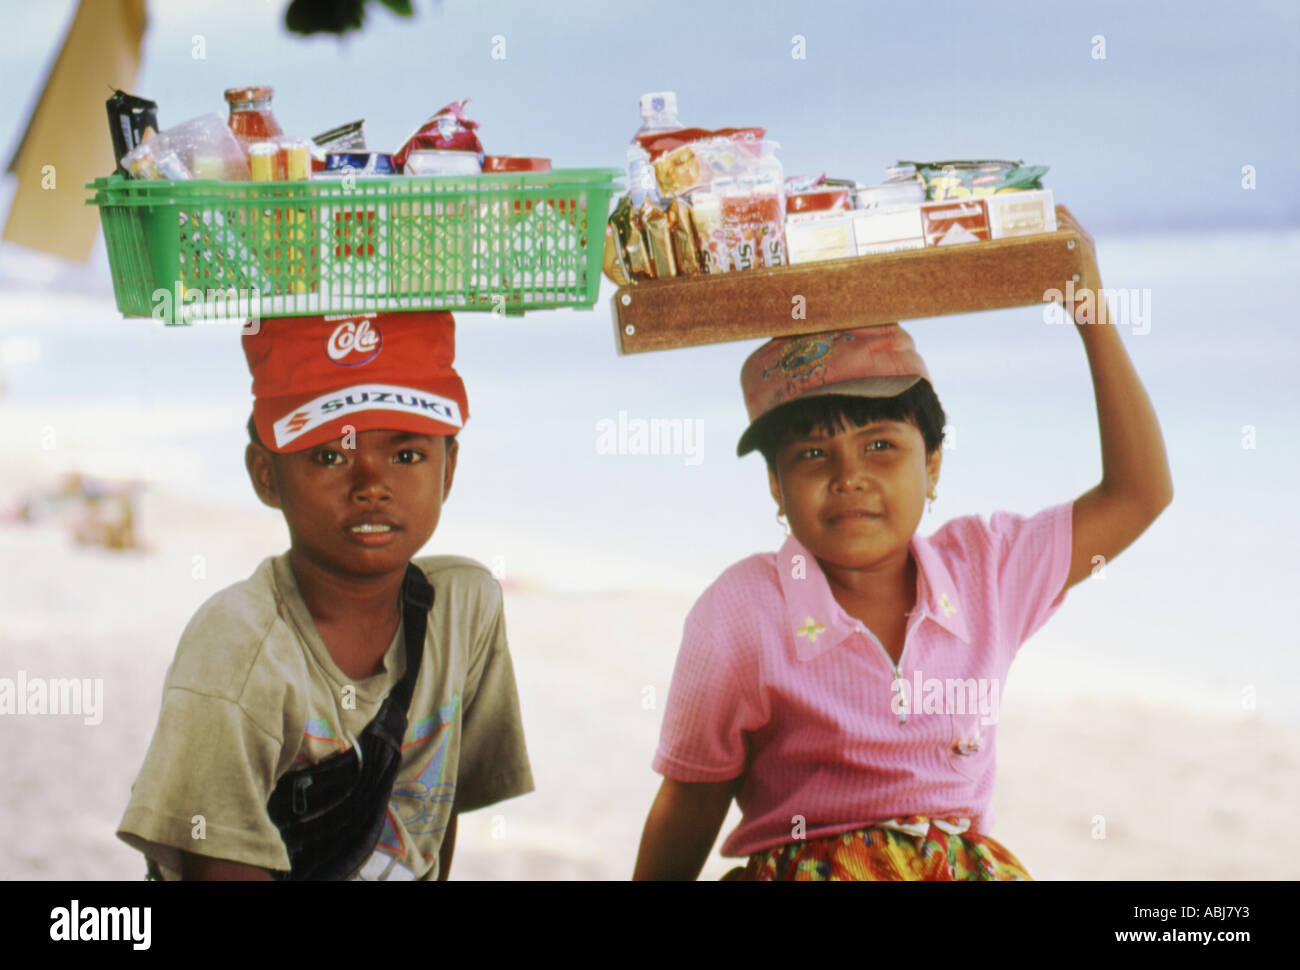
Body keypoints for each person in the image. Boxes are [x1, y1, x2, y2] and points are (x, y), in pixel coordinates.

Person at [632, 208, 1173, 881]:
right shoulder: (739, 612)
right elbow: (690, 799)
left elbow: (1138, 494)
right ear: (775, 484)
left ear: (934, 465)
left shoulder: (987, 570)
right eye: (810, 453)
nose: (848, 476)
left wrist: (1089, 310)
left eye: (881, 445)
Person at [117, 311, 533, 881]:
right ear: (265, 474)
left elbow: (434, 810)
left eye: (407, 455)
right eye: (330, 456)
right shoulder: (238, 647)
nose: (371, 485)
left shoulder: (465, 607)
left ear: (449, 469)